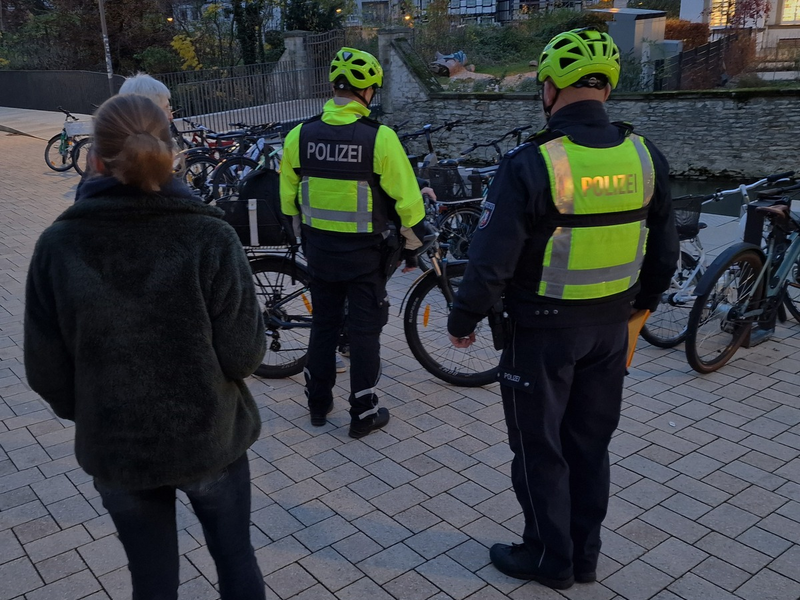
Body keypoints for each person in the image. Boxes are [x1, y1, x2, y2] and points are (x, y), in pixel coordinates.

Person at [446, 28, 679, 590]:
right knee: (589, 445)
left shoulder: (532, 163)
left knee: (540, 449)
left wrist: (462, 319)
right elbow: (666, 252)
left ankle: (549, 559)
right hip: (610, 330)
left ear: (550, 87)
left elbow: (491, 260)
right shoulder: (645, 155)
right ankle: (585, 555)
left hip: (543, 335)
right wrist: (636, 309)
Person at [24, 94, 267, 600]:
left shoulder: (58, 246)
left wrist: (94, 409)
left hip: (119, 448)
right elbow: (244, 355)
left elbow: (45, 369)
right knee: (236, 563)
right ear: (172, 152)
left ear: (94, 157)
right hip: (209, 439)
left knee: (152, 582)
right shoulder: (210, 236)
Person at [280, 47, 429, 438]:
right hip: (366, 259)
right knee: (364, 333)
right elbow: (409, 205)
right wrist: (415, 238)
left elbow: (288, 201)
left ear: (334, 87)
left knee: (324, 327)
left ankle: (317, 403)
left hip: (321, 255)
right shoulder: (380, 139)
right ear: (370, 92)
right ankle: (363, 413)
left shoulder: (299, 135)